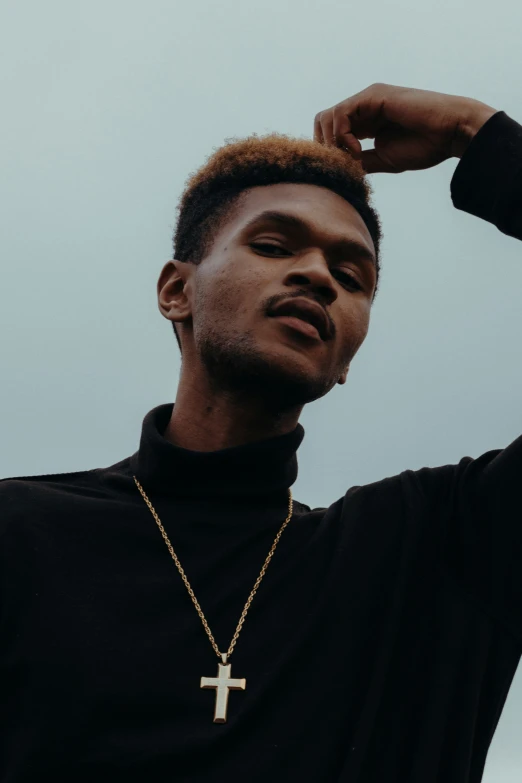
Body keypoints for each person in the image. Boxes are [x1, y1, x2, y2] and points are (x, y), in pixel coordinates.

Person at [1, 83, 521, 783]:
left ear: (348, 357)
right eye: (275, 244)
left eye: (353, 275)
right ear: (176, 290)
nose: (317, 275)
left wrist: (481, 136)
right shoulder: (21, 536)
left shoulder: (437, 551)